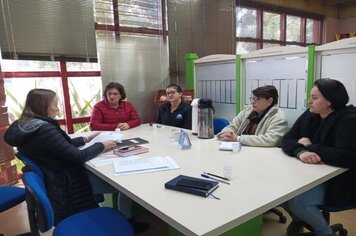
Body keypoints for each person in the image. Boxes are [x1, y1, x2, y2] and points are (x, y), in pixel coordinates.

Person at [4, 89, 117, 224]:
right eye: (55, 105)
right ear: (43, 106)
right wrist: (102, 145)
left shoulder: (28, 125)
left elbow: (58, 145)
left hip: (54, 177)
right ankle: (127, 218)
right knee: (117, 185)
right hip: (67, 185)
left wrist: (86, 139)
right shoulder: (44, 130)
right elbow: (78, 156)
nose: (57, 109)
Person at [281, 79, 356, 236]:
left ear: (330, 101)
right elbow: (287, 140)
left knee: (299, 202)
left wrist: (310, 147)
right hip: (308, 174)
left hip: (340, 181)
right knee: (279, 194)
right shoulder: (310, 114)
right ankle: (300, 219)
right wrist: (301, 152)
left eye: (314, 98)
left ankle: (324, 231)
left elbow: (345, 156)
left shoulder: (349, 119)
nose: (309, 101)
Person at [218, 85, 288, 146]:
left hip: (263, 155)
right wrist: (226, 133)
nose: (252, 102)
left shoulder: (279, 117)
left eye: (258, 99)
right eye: (253, 98)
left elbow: (270, 140)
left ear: (269, 101)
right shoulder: (248, 110)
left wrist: (238, 138)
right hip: (240, 149)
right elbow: (233, 126)